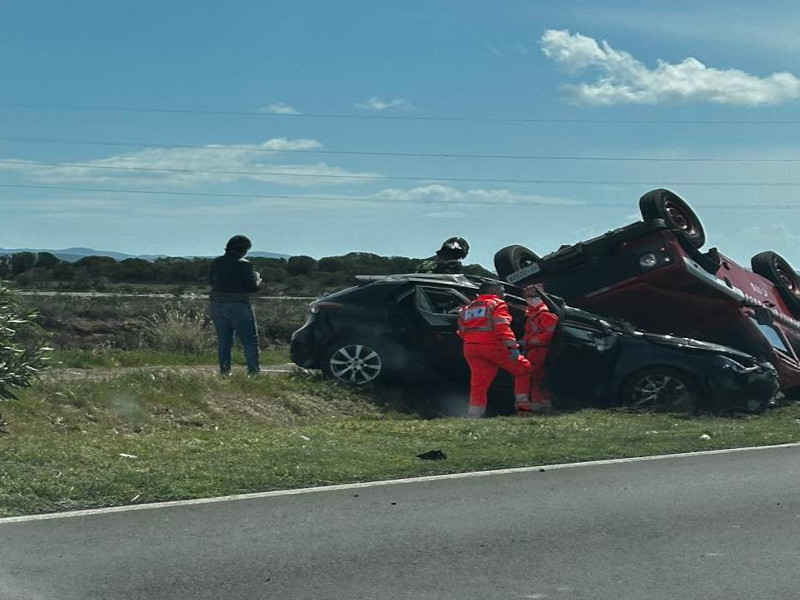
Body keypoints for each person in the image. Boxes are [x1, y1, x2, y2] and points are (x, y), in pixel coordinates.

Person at [458, 281, 534, 417]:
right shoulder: (496, 304)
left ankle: (474, 415)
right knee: (524, 369)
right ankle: (523, 408)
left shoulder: (468, 308)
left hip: (470, 347)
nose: (504, 294)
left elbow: (462, 330)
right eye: (502, 291)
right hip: (492, 346)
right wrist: (512, 347)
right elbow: (502, 327)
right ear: (494, 290)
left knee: (479, 383)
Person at [209, 235, 262, 375]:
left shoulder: (216, 262)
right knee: (249, 340)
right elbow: (252, 287)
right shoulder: (245, 264)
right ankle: (253, 372)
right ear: (244, 250)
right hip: (239, 304)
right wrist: (257, 279)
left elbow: (210, 281)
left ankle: (225, 371)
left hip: (217, 303)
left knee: (224, 339)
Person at [522, 284, 559, 412]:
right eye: (527, 296)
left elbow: (548, 334)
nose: (529, 299)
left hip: (540, 350)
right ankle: (545, 404)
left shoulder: (544, 312)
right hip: (534, 349)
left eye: (532, 296)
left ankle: (538, 404)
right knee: (539, 379)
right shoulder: (532, 312)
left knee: (534, 378)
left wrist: (528, 342)